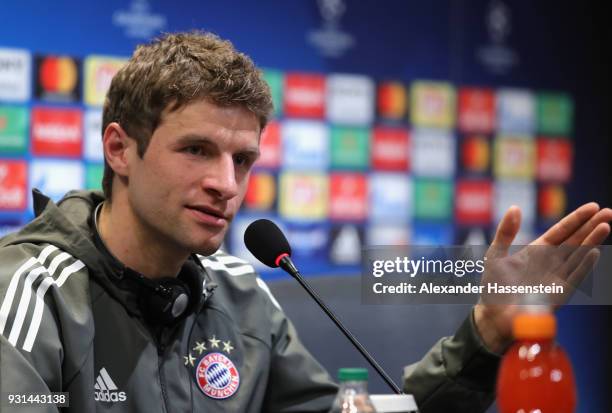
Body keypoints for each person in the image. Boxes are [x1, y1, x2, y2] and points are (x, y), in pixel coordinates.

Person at [0, 31, 610, 413]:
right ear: (119, 150)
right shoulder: (31, 291)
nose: (226, 183)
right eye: (196, 150)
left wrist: (485, 335)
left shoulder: (241, 296)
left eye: (242, 159)